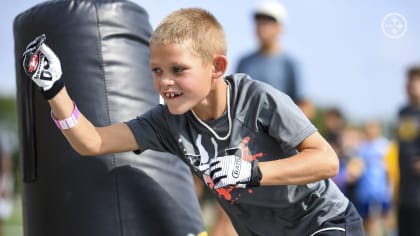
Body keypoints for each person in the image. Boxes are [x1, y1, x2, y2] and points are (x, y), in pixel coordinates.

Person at [22, 8, 364, 235]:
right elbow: (92, 141)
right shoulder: (168, 122)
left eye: (178, 70)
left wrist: (251, 173)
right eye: (156, 71)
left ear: (216, 67)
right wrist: (55, 89)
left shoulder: (258, 99)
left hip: (323, 222)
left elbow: (327, 161)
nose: (164, 82)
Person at [236, 0, 300, 102]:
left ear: (279, 28)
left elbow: (303, 102)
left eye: (267, 23)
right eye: (259, 23)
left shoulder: (289, 63)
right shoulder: (244, 62)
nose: (262, 28)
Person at [354, 121, 392, 236]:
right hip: (364, 191)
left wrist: (390, 188)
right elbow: (356, 166)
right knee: (366, 221)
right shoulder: (361, 147)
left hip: (380, 191)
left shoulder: (385, 146)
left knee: (380, 220)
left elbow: (390, 170)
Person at [396, 65, 420, 236]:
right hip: (404, 192)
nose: (411, 84)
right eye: (409, 80)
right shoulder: (402, 113)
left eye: (416, 80)